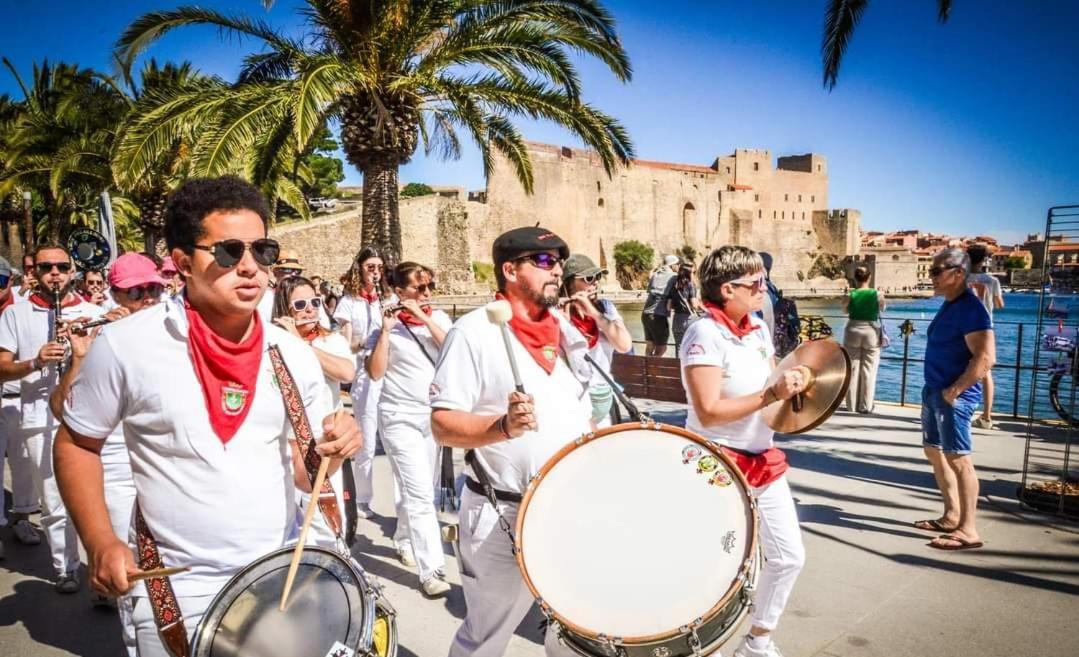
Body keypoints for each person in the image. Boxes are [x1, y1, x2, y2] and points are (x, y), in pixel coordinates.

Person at [52, 175, 360, 656]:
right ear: (181, 263)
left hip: (278, 579)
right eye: (228, 251)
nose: (250, 267)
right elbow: (76, 443)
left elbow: (306, 476)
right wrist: (100, 541)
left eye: (263, 251)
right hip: (176, 588)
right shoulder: (127, 345)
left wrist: (335, 451)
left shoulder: (292, 353)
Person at [432, 226, 593, 657]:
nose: (557, 270)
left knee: (576, 632)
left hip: (569, 508)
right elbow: (442, 424)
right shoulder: (473, 332)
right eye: (543, 262)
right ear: (509, 270)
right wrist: (502, 427)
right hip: (501, 509)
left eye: (559, 262)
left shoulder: (565, 329)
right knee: (486, 635)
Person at [679, 245, 808, 657]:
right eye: (754, 283)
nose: (762, 288)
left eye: (763, 280)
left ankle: (757, 641)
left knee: (788, 557)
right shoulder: (703, 333)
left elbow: (771, 382)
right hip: (715, 461)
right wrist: (771, 391)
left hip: (761, 458)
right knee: (717, 569)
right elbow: (710, 411)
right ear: (726, 289)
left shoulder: (756, 327)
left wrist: (798, 379)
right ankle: (705, 646)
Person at [49, 253, 159, 651]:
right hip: (115, 470)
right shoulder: (100, 336)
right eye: (136, 291)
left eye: (154, 289)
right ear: (114, 294)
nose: (148, 298)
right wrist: (81, 356)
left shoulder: (167, 332)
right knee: (134, 581)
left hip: (161, 468)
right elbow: (62, 410)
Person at [0, 244, 106, 592]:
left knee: (100, 497)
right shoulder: (15, 314)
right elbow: (2, 367)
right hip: (39, 415)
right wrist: (36, 361)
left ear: (73, 270)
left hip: (90, 415)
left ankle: (100, 572)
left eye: (62, 266)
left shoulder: (95, 311)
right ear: (35, 273)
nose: (55, 273)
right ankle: (65, 567)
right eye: (47, 267)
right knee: (53, 497)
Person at [366, 262, 453, 596]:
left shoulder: (440, 319)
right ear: (399, 292)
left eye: (430, 286)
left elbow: (452, 350)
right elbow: (375, 373)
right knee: (418, 493)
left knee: (420, 488)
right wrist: (387, 331)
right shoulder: (386, 322)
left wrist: (425, 315)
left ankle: (405, 537)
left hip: (431, 415)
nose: (427, 293)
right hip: (398, 415)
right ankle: (432, 569)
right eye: (419, 288)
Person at [916, 248, 994, 551]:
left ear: (957, 273)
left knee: (959, 459)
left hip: (953, 396)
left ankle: (968, 529)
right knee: (934, 452)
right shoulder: (950, 305)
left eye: (936, 271)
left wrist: (955, 391)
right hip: (935, 390)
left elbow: (986, 358)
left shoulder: (971, 310)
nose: (931, 276)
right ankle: (951, 516)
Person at [272, 274, 356, 547]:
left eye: (314, 302)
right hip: (285, 445)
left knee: (327, 528)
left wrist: (300, 343)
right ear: (285, 309)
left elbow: (346, 371)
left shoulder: (328, 340)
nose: (309, 309)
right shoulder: (272, 343)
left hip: (324, 444)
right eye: (300, 305)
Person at [334, 248, 391, 519]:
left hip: (390, 370)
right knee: (367, 437)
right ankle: (363, 497)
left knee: (393, 434)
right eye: (370, 266)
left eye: (379, 266)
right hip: (364, 370)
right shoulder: (349, 302)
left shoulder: (388, 298)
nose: (375, 271)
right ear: (360, 268)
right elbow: (345, 343)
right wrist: (362, 344)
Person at [560, 253, 632, 426]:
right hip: (572, 398)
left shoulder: (605, 308)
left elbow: (624, 345)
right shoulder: (557, 312)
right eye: (589, 278)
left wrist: (594, 313)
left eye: (597, 277)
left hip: (603, 393)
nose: (595, 283)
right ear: (570, 283)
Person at [0, 257, 40, 558]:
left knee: (24, 465)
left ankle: (22, 518)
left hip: (22, 397)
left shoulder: (23, 309)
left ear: (9, 282)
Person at [966, 244, 1003, 429]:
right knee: (986, 371)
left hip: (964, 326)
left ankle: (958, 408)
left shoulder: (962, 278)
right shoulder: (992, 280)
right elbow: (1000, 304)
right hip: (985, 327)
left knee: (959, 367)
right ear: (984, 260)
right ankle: (986, 416)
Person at [842, 266, 885, 414]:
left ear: (855, 278)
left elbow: (845, 310)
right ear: (870, 277)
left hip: (853, 330)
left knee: (852, 370)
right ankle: (865, 406)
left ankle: (851, 406)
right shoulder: (878, 294)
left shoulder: (850, 294)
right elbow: (882, 308)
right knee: (869, 370)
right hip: (871, 331)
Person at [641, 254, 678, 357]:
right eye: (677, 264)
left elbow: (649, 290)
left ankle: (646, 371)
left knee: (649, 346)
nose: (678, 267)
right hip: (658, 315)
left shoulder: (655, 275)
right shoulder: (674, 277)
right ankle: (654, 371)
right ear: (672, 265)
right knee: (662, 348)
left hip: (645, 314)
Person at [665, 261, 702, 353]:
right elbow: (694, 304)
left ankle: (679, 367)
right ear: (689, 273)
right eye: (693, 272)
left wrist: (679, 304)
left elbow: (668, 307)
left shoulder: (674, 286)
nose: (694, 275)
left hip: (677, 319)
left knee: (679, 346)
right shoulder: (691, 285)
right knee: (693, 347)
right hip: (689, 319)